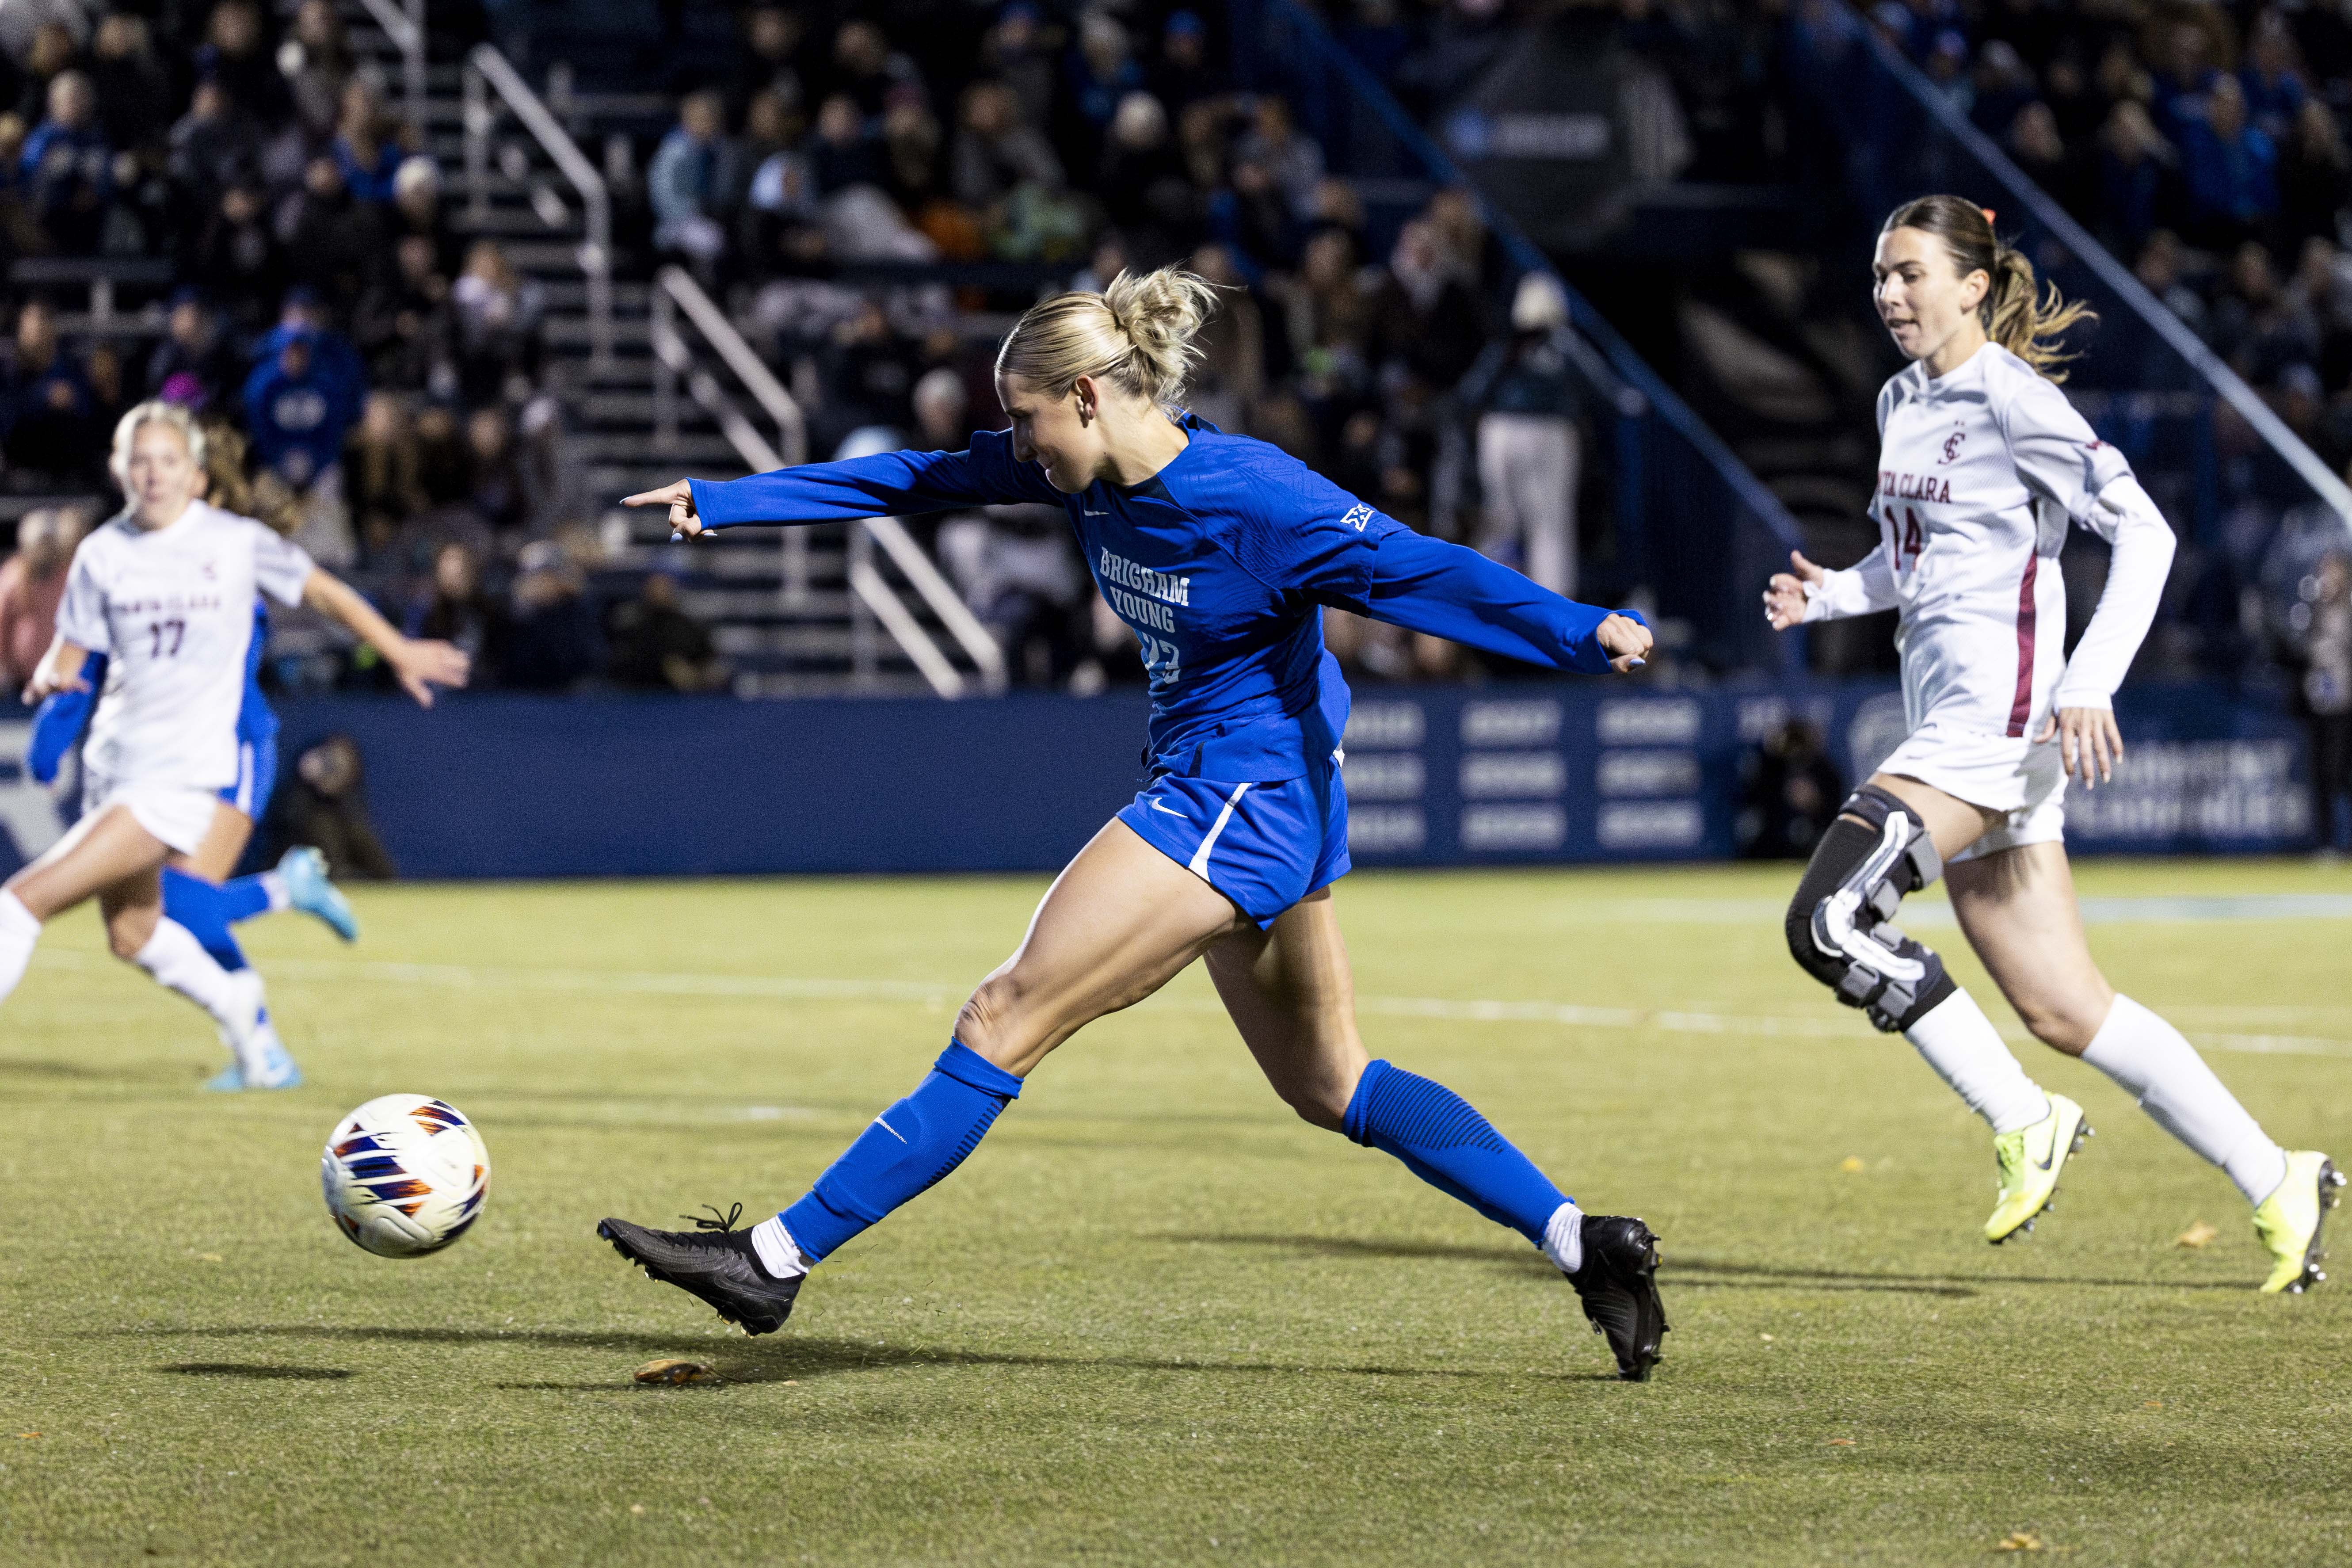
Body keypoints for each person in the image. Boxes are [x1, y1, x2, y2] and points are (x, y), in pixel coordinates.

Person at [601, 267, 1671, 1380]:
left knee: (1005, 1011)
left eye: (1027, 417)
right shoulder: (1082, 472)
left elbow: (1415, 566)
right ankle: (1581, 1239)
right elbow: (918, 476)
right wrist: (730, 501)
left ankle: (771, 1257)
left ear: (1091, 395)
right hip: (1261, 793)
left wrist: (1577, 627)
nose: (1017, 441)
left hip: (1235, 795)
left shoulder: (1253, 496)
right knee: (1332, 1082)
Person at [1764, 196, 2341, 1294]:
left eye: (1911, 273)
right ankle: (2279, 1173)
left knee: (1829, 919)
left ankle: (2022, 1114)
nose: (1889, 293)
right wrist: (1830, 592)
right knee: (2068, 1007)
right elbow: (1914, 560)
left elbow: (2147, 532)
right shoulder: (1901, 398)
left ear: (1972, 284)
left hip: (1999, 723)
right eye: (1880, 275)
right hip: (1957, 723)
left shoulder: (2012, 398)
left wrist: (2089, 681)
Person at [2, 402, 468, 1088]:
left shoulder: (234, 542)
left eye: (168, 461)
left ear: (195, 474)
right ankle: (245, 1016)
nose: (154, 474)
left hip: (180, 777)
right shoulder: (101, 554)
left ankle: (279, 910)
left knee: (21, 900)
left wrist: (397, 647)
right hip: (114, 769)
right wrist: (52, 681)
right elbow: (73, 659)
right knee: (134, 934)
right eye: (140, 460)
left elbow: (325, 592)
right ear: (117, 468)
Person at [1460, 273, 1585, 598]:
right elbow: (1603, 389)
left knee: (1501, 518)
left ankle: (1486, 601)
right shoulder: (1563, 344)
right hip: (1549, 431)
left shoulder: (1505, 345)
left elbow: (1471, 393)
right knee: (1550, 526)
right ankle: (1554, 610)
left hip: (1498, 429)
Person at [0, 507, 82, 696]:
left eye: (49, 542)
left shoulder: (70, 577)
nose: (45, 548)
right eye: (40, 542)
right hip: (18, 684)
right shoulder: (14, 575)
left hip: (58, 680)